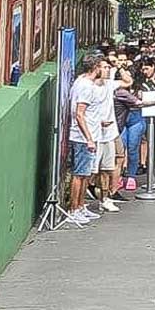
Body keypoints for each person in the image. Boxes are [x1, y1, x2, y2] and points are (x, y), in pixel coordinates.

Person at [66, 53, 105, 227]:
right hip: (83, 137)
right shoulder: (86, 87)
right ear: (95, 67)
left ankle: (81, 206)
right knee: (80, 174)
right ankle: (74, 209)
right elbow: (79, 113)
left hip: (88, 134)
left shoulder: (81, 82)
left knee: (84, 173)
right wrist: (89, 138)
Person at [92, 60, 120, 213]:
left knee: (107, 169)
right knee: (89, 171)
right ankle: (80, 203)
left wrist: (120, 68)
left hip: (108, 134)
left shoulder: (110, 84)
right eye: (105, 67)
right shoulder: (89, 86)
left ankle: (105, 199)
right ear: (97, 69)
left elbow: (128, 82)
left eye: (109, 67)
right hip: (94, 134)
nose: (108, 70)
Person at [114, 67, 144, 191]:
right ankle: (118, 176)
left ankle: (131, 175)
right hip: (121, 119)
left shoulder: (139, 88)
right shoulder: (116, 89)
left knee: (133, 147)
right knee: (121, 149)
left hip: (135, 118)